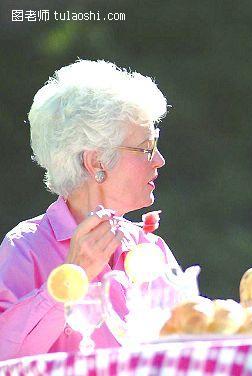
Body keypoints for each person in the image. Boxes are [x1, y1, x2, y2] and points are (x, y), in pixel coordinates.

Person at [0, 60, 179, 360]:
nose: (159, 159)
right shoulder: (24, 247)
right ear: (95, 162)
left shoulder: (151, 245)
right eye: (146, 148)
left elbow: (189, 344)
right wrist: (72, 276)